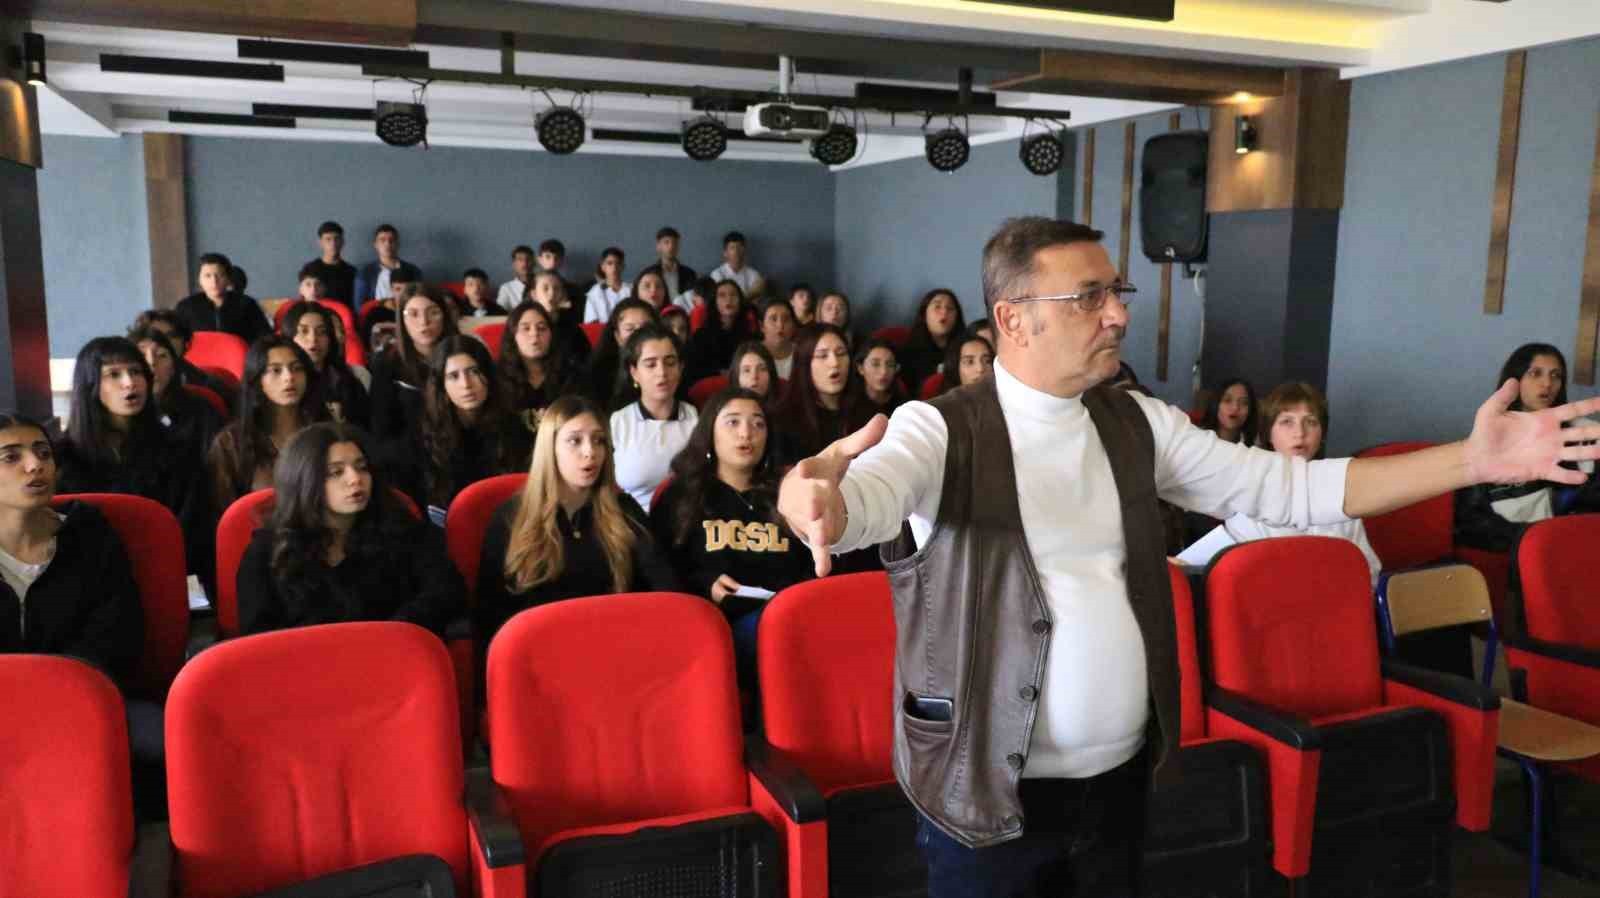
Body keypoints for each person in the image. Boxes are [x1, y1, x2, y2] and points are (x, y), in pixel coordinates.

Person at [775, 216, 1600, 898]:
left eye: (1117, 293)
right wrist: (818, 500)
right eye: (1089, 297)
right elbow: (864, 497)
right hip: (986, 796)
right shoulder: (940, 428)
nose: (1118, 315)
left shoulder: (1137, 423)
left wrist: (1473, 462)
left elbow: (1294, 490)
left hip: (1121, 783)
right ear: (1015, 318)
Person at [473, 395, 678, 652]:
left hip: (614, 650)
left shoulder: (624, 511)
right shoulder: (510, 517)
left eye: (598, 440)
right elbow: (489, 617)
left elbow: (665, 589)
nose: (590, 452)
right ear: (551, 449)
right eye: (575, 441)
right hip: (539, 656)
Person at [235, 422, 462, 636]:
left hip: (391, 662)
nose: (355, 479)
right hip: (305, 671)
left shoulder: (404, 530)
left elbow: (445, 594)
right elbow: (260, 638)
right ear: (304, 481)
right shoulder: (267, 553)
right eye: (336, 472)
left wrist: (389, 635)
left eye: (362, 468)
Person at [650, 388, 812, 684]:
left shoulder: (787, 492)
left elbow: (812, 565)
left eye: (757, 424)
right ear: (709, 432)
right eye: (733, 422)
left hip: (789, 618)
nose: (746, 433)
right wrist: (706, 585)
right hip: (716, 626)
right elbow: (662, 573)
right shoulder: (681, 496)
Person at [1179, 382, 1381, 585]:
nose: (1300, 433)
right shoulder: (1248, 497)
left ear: (1322, 435)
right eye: (1287, 422)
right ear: (1269, 435)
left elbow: (1368, 572)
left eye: (1311, 422)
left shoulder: (1342, 493)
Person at [57, 337, 212, 594]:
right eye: (113, 374)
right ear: (89, 386)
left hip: (164, 576)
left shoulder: (177, 450)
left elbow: (192, 531)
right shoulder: (64, 457)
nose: (129, 382)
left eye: (136, 371)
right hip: (87, 587)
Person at [1453, 343, 1592, 551]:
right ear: (1515, 379)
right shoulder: (1488, 437)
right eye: (1535, 373)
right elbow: (1471, 521)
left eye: (1556, 376)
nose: (1547, 383)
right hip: (1509, 549)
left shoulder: (1577, 434)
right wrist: (1528, 539)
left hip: (1563, 543)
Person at [395, 336, 533, 514]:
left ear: (488, 376)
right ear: (441, 385)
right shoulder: (423, 434)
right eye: (453, 376)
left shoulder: (513, 426)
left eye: (474, 372)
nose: (466, 384)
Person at [206, 337, 326, 516]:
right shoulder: (231, 443)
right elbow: (226, 519)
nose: (289, 377)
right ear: (257, 381)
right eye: (276, 370)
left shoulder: (323, 432)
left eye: (297, 368)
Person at [610, 324, 697, 511]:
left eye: (670, 362)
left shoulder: (697, 419)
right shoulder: (617, 423)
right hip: (633, 525)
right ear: (634, 372)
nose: (662, 372)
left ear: (681, 368)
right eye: (650, 364)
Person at [369, 287, 457, 444]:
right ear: (402, 321)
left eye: (433, 312)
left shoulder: (462, 355)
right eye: (413, 314)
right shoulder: (387, 363)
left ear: (445, 316)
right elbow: (381, 428)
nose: (424, 322)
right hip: (408, 454)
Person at [130, 327, 223, 466]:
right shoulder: (115, 419)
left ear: (174, 368)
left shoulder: (201, 411)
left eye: (161, 355)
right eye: (141, 356)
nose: (151, 363)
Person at [773, 323, 856, 460]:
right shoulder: (783, 421)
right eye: (823, 356)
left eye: (841, 353)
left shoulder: (865, 410)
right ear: (804, 363)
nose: (835, 362)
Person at [281, 302, 370, 426]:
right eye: (304, 331)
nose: (313, 339)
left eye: (322, 332)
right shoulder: (282, 384)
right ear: (289, 336)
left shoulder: (349, 382)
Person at [499, 300, 578, 423]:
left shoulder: (571, 375)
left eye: (541, 328)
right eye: (526, 328)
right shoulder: (497, 377)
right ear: (513, 336)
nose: (534, 334)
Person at [173, 252, 271, 344]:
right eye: (207, 276)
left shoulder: (247, 304)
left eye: (220, 275)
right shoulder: (186, 307)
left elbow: (265, 337)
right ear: (199, 280)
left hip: (239, 359)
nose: (214, 281)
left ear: (228, 278)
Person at [585, 298, 657, 405]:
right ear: (617, 336)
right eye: (629, 329)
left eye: (646, 327)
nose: (638, 334)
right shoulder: (598, 370)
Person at [686, 280, 754, 385]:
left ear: (740, 301)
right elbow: (695, 371)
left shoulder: (750, 337)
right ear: (714, 302)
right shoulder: (701, 336)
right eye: (722, 295)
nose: (729, 299)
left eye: (733, 295)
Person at [900, 288, 966, 393]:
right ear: (924, 314)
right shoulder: (908, 352)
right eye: (937, 307)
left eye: (950, 308)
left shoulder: (965, 349)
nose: (944, 312)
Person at [530, 268, 591, 365]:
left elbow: (585, 357)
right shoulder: (525, 324)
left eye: (556, 289)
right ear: (534, 295)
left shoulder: (570, 323)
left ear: (562, 294)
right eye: (545, 288)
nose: (552, 293)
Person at [352, 224, 422, 305]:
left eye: (391, 240)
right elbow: (359, 307)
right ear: (375, 245)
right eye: (382, 240)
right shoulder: (365, 273)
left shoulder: (414, 271)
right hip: (376, 315)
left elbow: (420, 300)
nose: (387, 244)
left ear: (397, 244)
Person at [302, 221, 357, 308]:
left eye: (336, 238)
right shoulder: (310, 269)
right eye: (328, 239)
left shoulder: (351, 271)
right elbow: (304, 299)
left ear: (342, 242)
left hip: (344, 317)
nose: (333, 243)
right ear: (320, 242)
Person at [853, 337, 908, 420]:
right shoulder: (849, 406)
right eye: (875, 364)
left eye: (890, 365)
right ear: (861, 368)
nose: (884, 372)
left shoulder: (904, 407)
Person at [641, 226, 699, 302]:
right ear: (658, 246)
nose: (671, 246)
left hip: (683, 312)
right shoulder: (649, 273)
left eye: (675, 243)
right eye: (666, 242)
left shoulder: (689, 273)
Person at [1199, 378, 1257, 446]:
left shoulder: (1255, 447)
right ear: (1215, 404)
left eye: (1243, 403)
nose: (1235, 408)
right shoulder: (1199, 439)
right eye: (1227, 400)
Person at [584, 247, 634, 323]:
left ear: (623, 266)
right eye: (609, 263)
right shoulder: (594, 292)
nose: (614, 268)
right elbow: (591, 322)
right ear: (603, 267)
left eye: (618, 263)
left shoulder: (632, 290)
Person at [708, 230, 764, 300]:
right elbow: (723, 300)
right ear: (725, 253)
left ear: (744, 251)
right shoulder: (717, 274)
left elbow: (756, 302)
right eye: (732, 248)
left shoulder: (754, 274)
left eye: (739, 247)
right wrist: (751, 293)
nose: (736, 252)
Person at [760, 298, 798, 379]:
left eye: (786, 319)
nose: (780, 325)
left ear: (793, 325)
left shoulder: (802, 353)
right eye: (773, 319)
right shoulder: (751, 355)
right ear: (762, 326)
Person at [497, 245, 537, 311]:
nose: (525, 263)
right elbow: (500, 312)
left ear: (534, 263)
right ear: (514, 264)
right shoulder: (506, 288)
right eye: (520, 259)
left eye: (528, 259)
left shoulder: (542, 284)